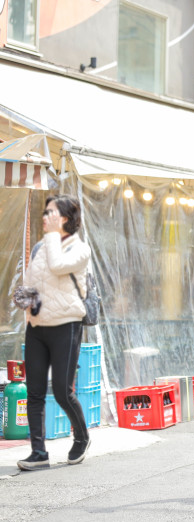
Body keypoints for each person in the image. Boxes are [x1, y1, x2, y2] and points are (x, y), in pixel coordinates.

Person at [16, 194, 92, 471]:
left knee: (62, 391)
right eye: (45, 212)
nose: (45, 217)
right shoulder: (39, 247)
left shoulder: (80, 249)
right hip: (37, 327)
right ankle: (38, 452)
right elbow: (30, 283)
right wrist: (25, 305)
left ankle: (82, 437)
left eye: (51, 213)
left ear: (66, 218)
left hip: (66, 325)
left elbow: (58, 265)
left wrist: (50, 237)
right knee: (34, 392)